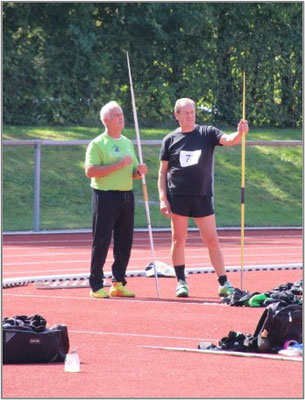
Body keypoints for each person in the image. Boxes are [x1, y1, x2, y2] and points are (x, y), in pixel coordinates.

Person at [158, 98, 249, 298]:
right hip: (178, 197)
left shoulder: (207, 133)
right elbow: (162, 171)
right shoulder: (170, 140)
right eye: (186, 113)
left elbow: (228, 140)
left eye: (192, 112)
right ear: (177, 115)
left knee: (211, 239)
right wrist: (163, 197)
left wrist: (240, 133)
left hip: (202, 196)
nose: (190, 116)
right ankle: (181, 281)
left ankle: (223, 282)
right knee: (178, 239)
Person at [85, 101, 148, 299]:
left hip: (126, 196)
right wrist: (118, 164)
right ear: (106, 120)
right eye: (117, 115)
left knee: (124, 242)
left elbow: (133, 173)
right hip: (105, 196)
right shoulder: (97, 144)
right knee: (102, 240)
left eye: (122, 114)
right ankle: (96, 284)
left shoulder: (127, 142)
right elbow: (90, 171)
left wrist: (139, 171)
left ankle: (118, 282)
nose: (122, 118)